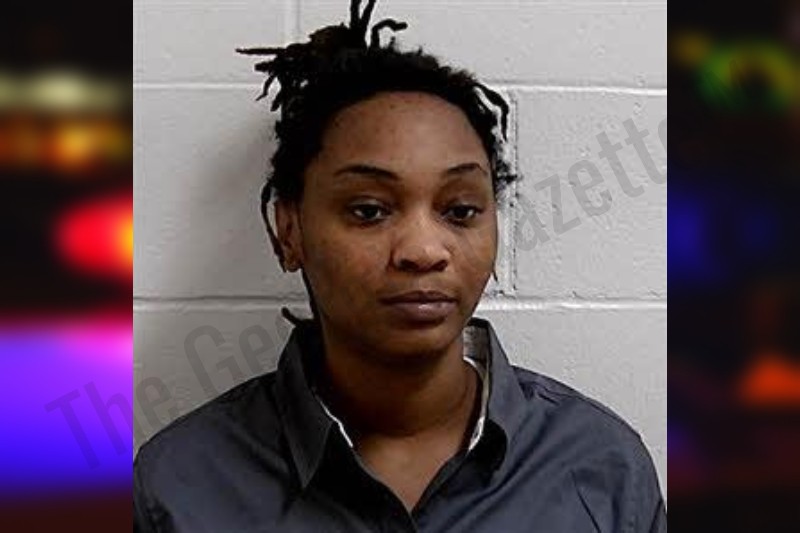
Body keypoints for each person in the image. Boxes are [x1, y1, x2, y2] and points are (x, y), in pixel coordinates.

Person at [133, 1, 666, 531]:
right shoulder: (180, 488)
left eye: (460, 210)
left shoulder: (601, 468)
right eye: (369, 210)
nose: (424, 250)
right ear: (289, 230)